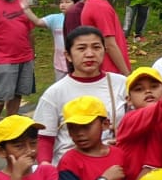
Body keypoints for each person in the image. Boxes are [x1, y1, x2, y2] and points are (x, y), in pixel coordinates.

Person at [33, 27, 129, 165]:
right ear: (68, 56)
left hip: (113, 164)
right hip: (70, 170)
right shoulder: (54, 93)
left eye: (96, 47)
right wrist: (46, 169)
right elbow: (45, 138)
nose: (90, 54)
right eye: (81, 48)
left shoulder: (121, 84)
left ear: (104, 51)